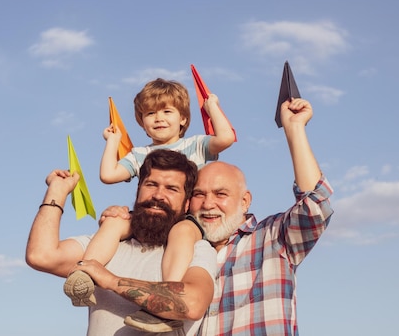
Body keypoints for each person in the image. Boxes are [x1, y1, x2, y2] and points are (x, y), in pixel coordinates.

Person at [102, 98, 334, 335]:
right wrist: (120, 218)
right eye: (199, 194)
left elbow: (314, 206)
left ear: (244, 201)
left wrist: (294, 129)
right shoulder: (178, 251)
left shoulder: (273, 239)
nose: (209, 204)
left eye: (220, 194)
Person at [64, 78, 235, 332]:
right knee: (114, 221)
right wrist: (113, 141)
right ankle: (86, 273)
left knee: (182, 232)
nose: (159, 118)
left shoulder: (195, 145)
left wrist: (212, 107)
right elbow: (108, 175)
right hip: (150, 216)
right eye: (150, 113)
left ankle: (167, 306)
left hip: (182, 219)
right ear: (142, 123)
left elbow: (226, 137)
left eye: (167, 111)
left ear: (183, 119)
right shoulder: (140, 154)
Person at [26, 149, 217, 336]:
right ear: (138, 190)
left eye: (171, 189)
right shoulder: (108, 242)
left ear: (186, 204)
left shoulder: (196, 249)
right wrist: (57, 191)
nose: (158, 195)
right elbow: (41, 256)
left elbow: (193, 304)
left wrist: (110, 280)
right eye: (151, 184)